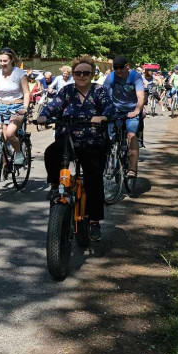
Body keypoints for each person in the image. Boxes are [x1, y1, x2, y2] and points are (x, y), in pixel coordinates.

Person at [35, 56, 113, 241]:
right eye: (78, 72)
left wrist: (103, 117)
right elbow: (52, 107)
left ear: (92, 74)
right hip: (68, 139)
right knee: (51, 153)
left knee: (94, 180)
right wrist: (43, 116)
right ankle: (56, 187)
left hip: (93, 142)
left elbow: (110, 109)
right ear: (73, 73)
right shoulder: (66, 91)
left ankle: (94, 222)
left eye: (86, 72)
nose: (82, 76)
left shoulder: (99, 91)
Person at [101, 55, 145, 186]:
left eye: (121, 68)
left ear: (127, 67)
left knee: (131, 136)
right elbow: (103, 94)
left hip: (132, 111)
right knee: (107, 136)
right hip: (115, 111)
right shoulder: (111, 77)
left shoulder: (135, 77)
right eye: (116, 68)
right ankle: (108, 161)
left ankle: (132, 168)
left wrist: (137, 111)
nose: (118, 71)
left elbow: (140, 97)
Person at [0, 47, 30, 166]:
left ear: (12, 60)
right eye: (0, 61)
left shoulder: (19, 73)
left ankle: (18, 153)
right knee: (1, 138)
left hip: (17, 108)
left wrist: (25, 107)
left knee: (9, 133)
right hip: (1, 108)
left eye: (5, 61)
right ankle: (4, 164)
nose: (2, 64)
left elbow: (26, 92)